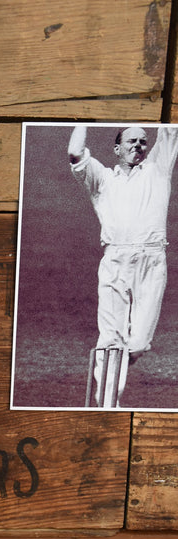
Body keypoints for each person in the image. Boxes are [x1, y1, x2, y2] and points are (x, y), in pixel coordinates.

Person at [68, 124, 178, 406]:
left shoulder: (158, 168)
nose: (139, 145)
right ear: (117, 149)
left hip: (152, 263)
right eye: (131, 141)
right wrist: (84, 120)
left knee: (138, 342)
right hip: (116, 261)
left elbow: (171, 130)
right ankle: (107, 404)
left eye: (143, 141)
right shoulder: (102, 178)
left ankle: (111, 371)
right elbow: (74, 152)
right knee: (111, 339)